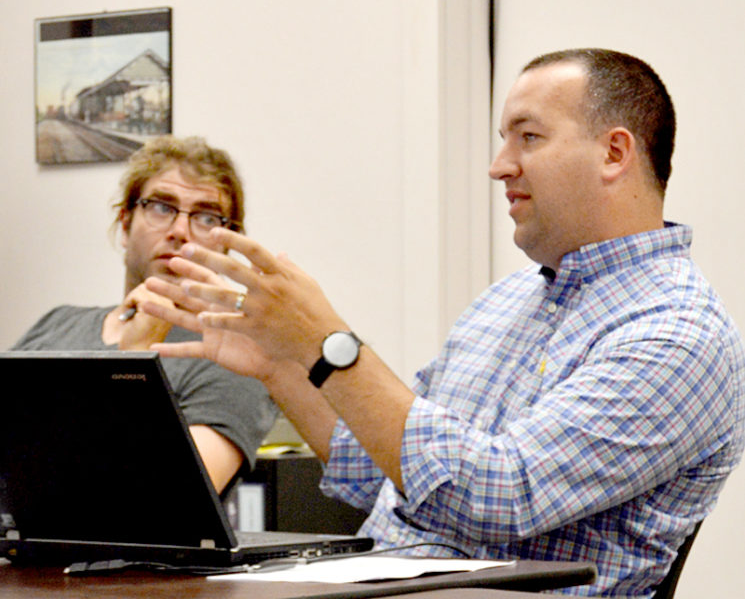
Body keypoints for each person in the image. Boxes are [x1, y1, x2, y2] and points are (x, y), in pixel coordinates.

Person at [140, 50, 745, 597]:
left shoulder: (678, 333)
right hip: (379, 583)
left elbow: (502, 495)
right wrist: (281, 365)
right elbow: (381, 470)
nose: (499, 166)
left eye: (528, 137)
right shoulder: (506, 301)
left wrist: (332, 345)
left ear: (614, 153)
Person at [11, 135, 277, 495]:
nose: (180, 231)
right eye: (161, 207)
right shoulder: (58, 324)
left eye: (205, 217)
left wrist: (135, 355)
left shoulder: (233, 360)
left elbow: (164, 499)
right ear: (125, 224)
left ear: (226, 245)